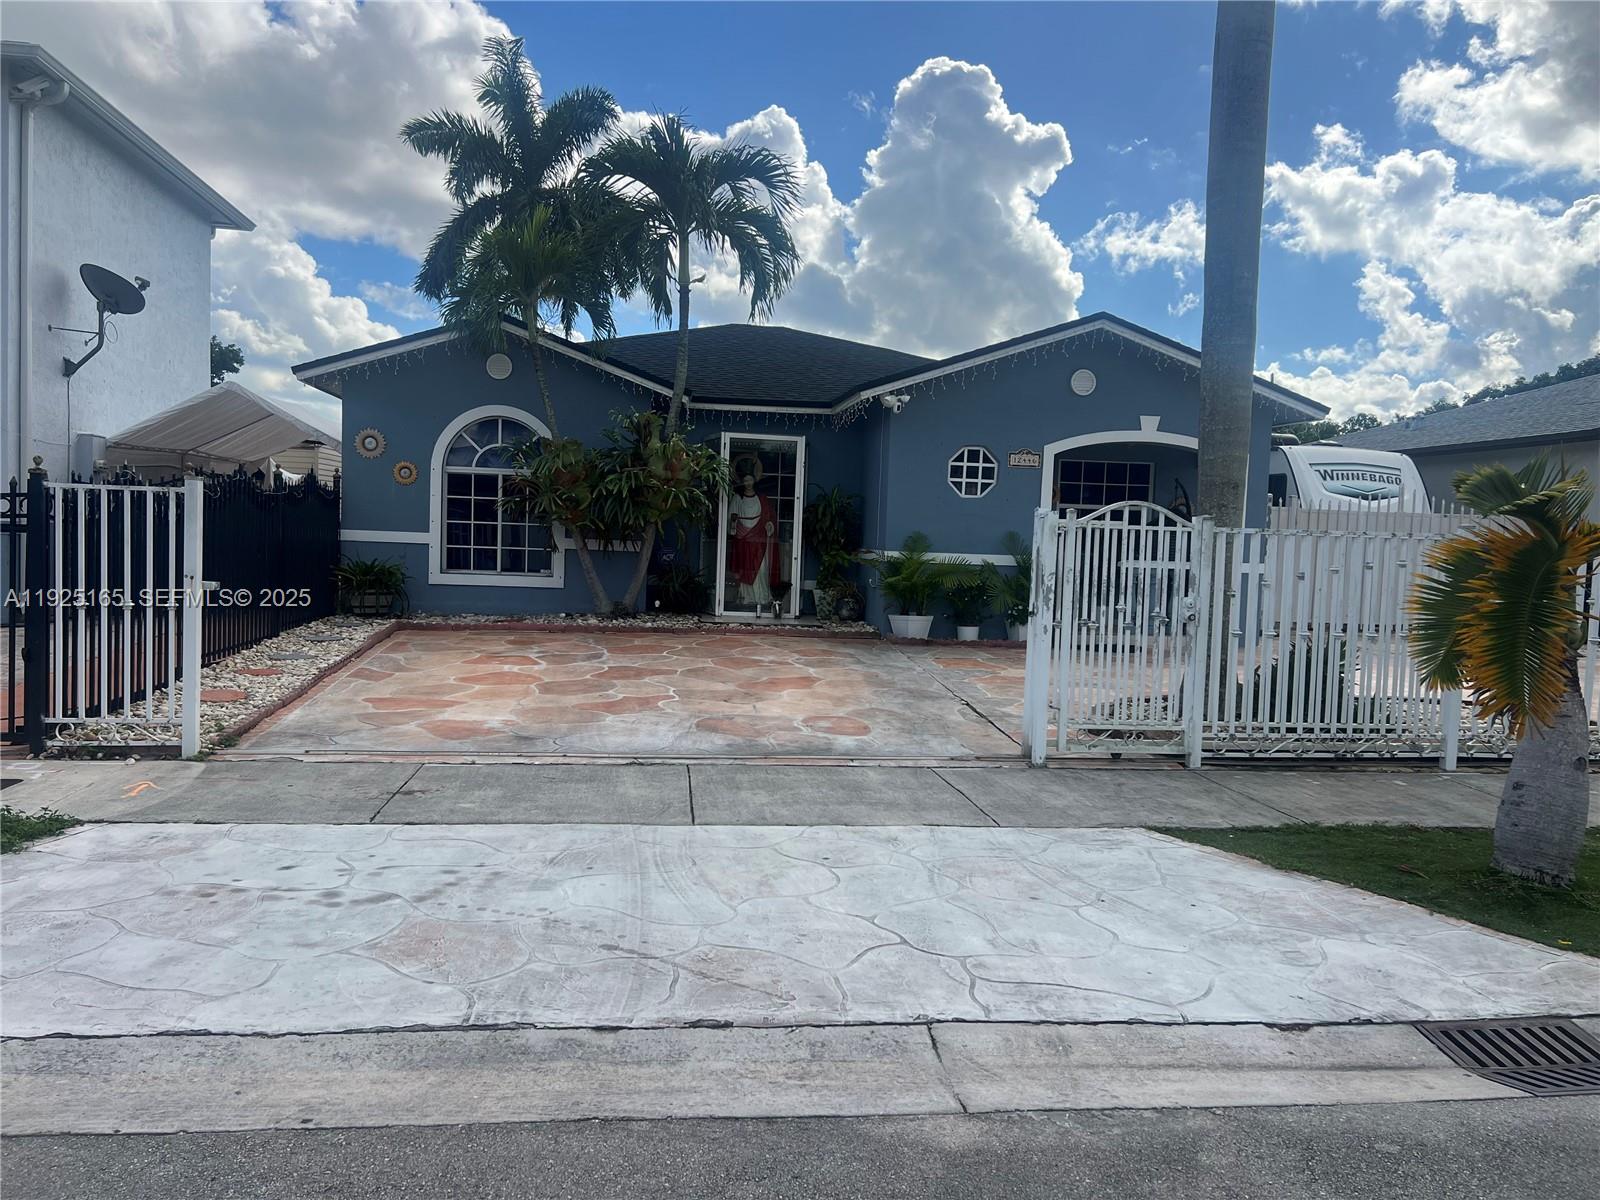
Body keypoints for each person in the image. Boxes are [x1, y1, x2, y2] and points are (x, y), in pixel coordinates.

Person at [727, 473, 779, 607]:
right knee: (745, 568)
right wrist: (734, 524)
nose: (748, 483)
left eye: (750, 480)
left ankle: (762, 597)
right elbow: (732, 518)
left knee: (761, 570)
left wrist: (769, 524)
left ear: (754, 481)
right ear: (742, 482)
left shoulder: (762, 499)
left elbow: (769, 517)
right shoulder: (738, 498)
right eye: (745, 480)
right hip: (743, 539)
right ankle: (746, 597)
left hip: (759, 538)